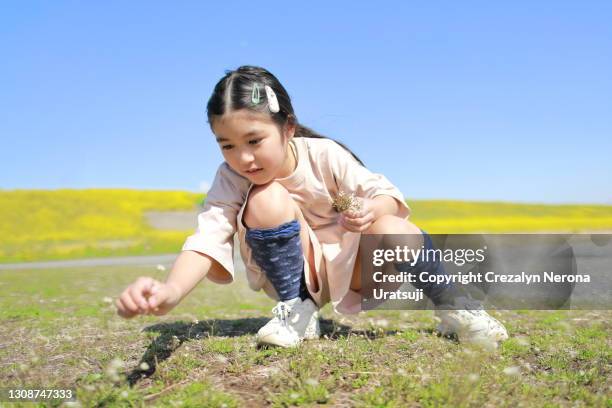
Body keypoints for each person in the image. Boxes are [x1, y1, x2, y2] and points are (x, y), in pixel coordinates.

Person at [115, 65, 508, 349]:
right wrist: (170, 292)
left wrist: (371, 209)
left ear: (287, 128)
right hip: (296, 274)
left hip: (353, 266)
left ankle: (456, 309)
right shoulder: (231, 178)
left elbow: (384, 193)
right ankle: (298, 312)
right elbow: (208, 237)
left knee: (392, 224)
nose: (244, 158)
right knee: (266, 196)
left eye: (254, 140)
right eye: (227, 145)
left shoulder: (323, 156)